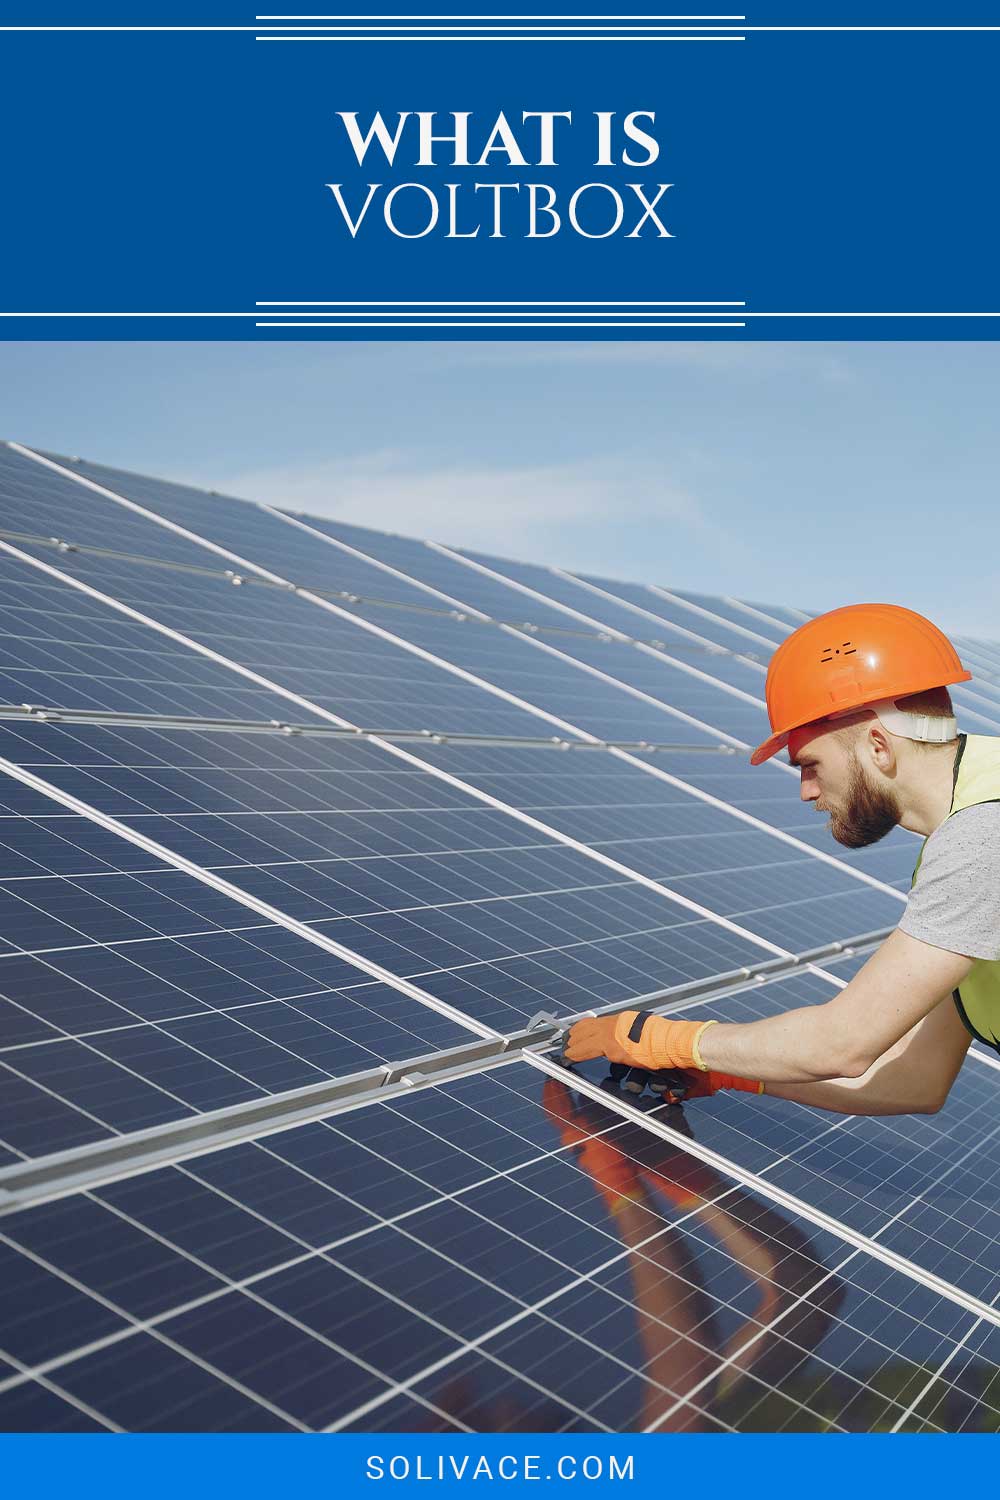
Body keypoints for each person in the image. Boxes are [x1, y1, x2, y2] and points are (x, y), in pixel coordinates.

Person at [565, 603, 1000, 1117]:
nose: (806, 791)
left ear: (878, 745)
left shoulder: (983, 837)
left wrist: (663, 1040)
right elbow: (912, 1079)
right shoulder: (967, 828)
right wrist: (728, 1070)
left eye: (809, 764)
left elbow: (842, 1045)